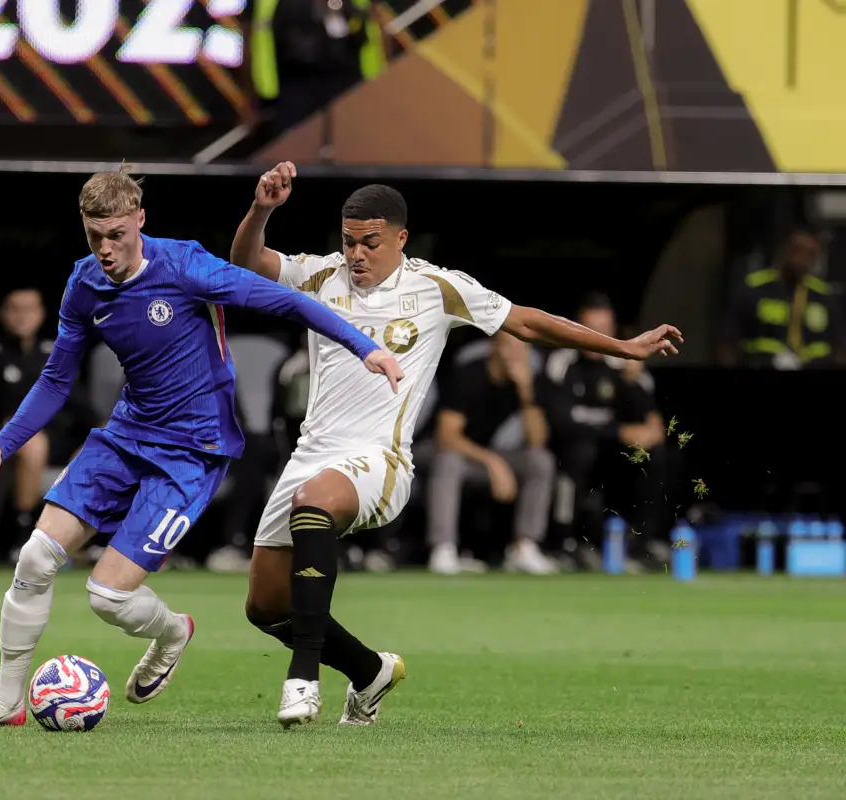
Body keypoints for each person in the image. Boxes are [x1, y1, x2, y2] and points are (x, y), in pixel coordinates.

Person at [0, 165, 402, 728]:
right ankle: (6, 701)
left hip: (192, 452)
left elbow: (288, 304)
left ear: (139, 220)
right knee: (34, 558)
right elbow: (57, 378)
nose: (105, 250)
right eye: (94, 236)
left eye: (116, 236)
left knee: (106, 598)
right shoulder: (85, 283)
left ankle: (172, 632)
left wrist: (363, 349)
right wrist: (2, 445)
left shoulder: (185, 265)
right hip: (126, 435)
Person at [230, 161, 682, 728]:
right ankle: (369, 671)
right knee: (265, 606)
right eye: (349, 243)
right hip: (311, 456)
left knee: (316, 502)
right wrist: (262, 209)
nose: (357, 256)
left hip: (380, 459)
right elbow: (246, 263)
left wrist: (622, 347)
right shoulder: (321, 276)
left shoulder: (436, 288)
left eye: (370, 243)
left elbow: (527, 322)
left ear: (400, 238)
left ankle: (303, 679)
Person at [0, 287, 96, 560]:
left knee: (101, 448)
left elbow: (82, 408)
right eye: (15, 309)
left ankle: (83, 540)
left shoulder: (54, 352)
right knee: (32, 442)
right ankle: (24, 533)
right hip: (3, 442)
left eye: (29, 309)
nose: (23, 317)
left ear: (42, 314)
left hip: (57, 441)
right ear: (2, 314)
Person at [541, 293, 672, 566]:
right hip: (574, 451)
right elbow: (562, 425)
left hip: (615, 457)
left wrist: (632, 383)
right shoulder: (562, 363)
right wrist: (619, 432)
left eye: (603, 330)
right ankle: (565, 544)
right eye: (589, 329)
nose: (595, 336)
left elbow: (655, 427)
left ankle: (644, 544)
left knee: (658, 456)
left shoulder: (625, 363)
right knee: (579, 452)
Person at [427, 332, 556, 576]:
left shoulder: (529, 381)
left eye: (523, 350)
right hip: (459, 454)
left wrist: (526, 392)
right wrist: (493, 462)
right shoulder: (470, 374)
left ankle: (524, 547)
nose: (516, 356)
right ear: (494, 347)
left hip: (498, 458)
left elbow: (537, 440)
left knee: (540, 461)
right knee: (448, 461)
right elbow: (447, 436)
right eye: (509, 347)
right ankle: (443, 549)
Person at [717, 228, 846, 369]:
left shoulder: (824, 296)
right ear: (784, 251)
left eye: (809, 255)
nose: (801, 260)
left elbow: (840, 345)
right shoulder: (754, 288)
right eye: (797, 251)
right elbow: (728, 341)